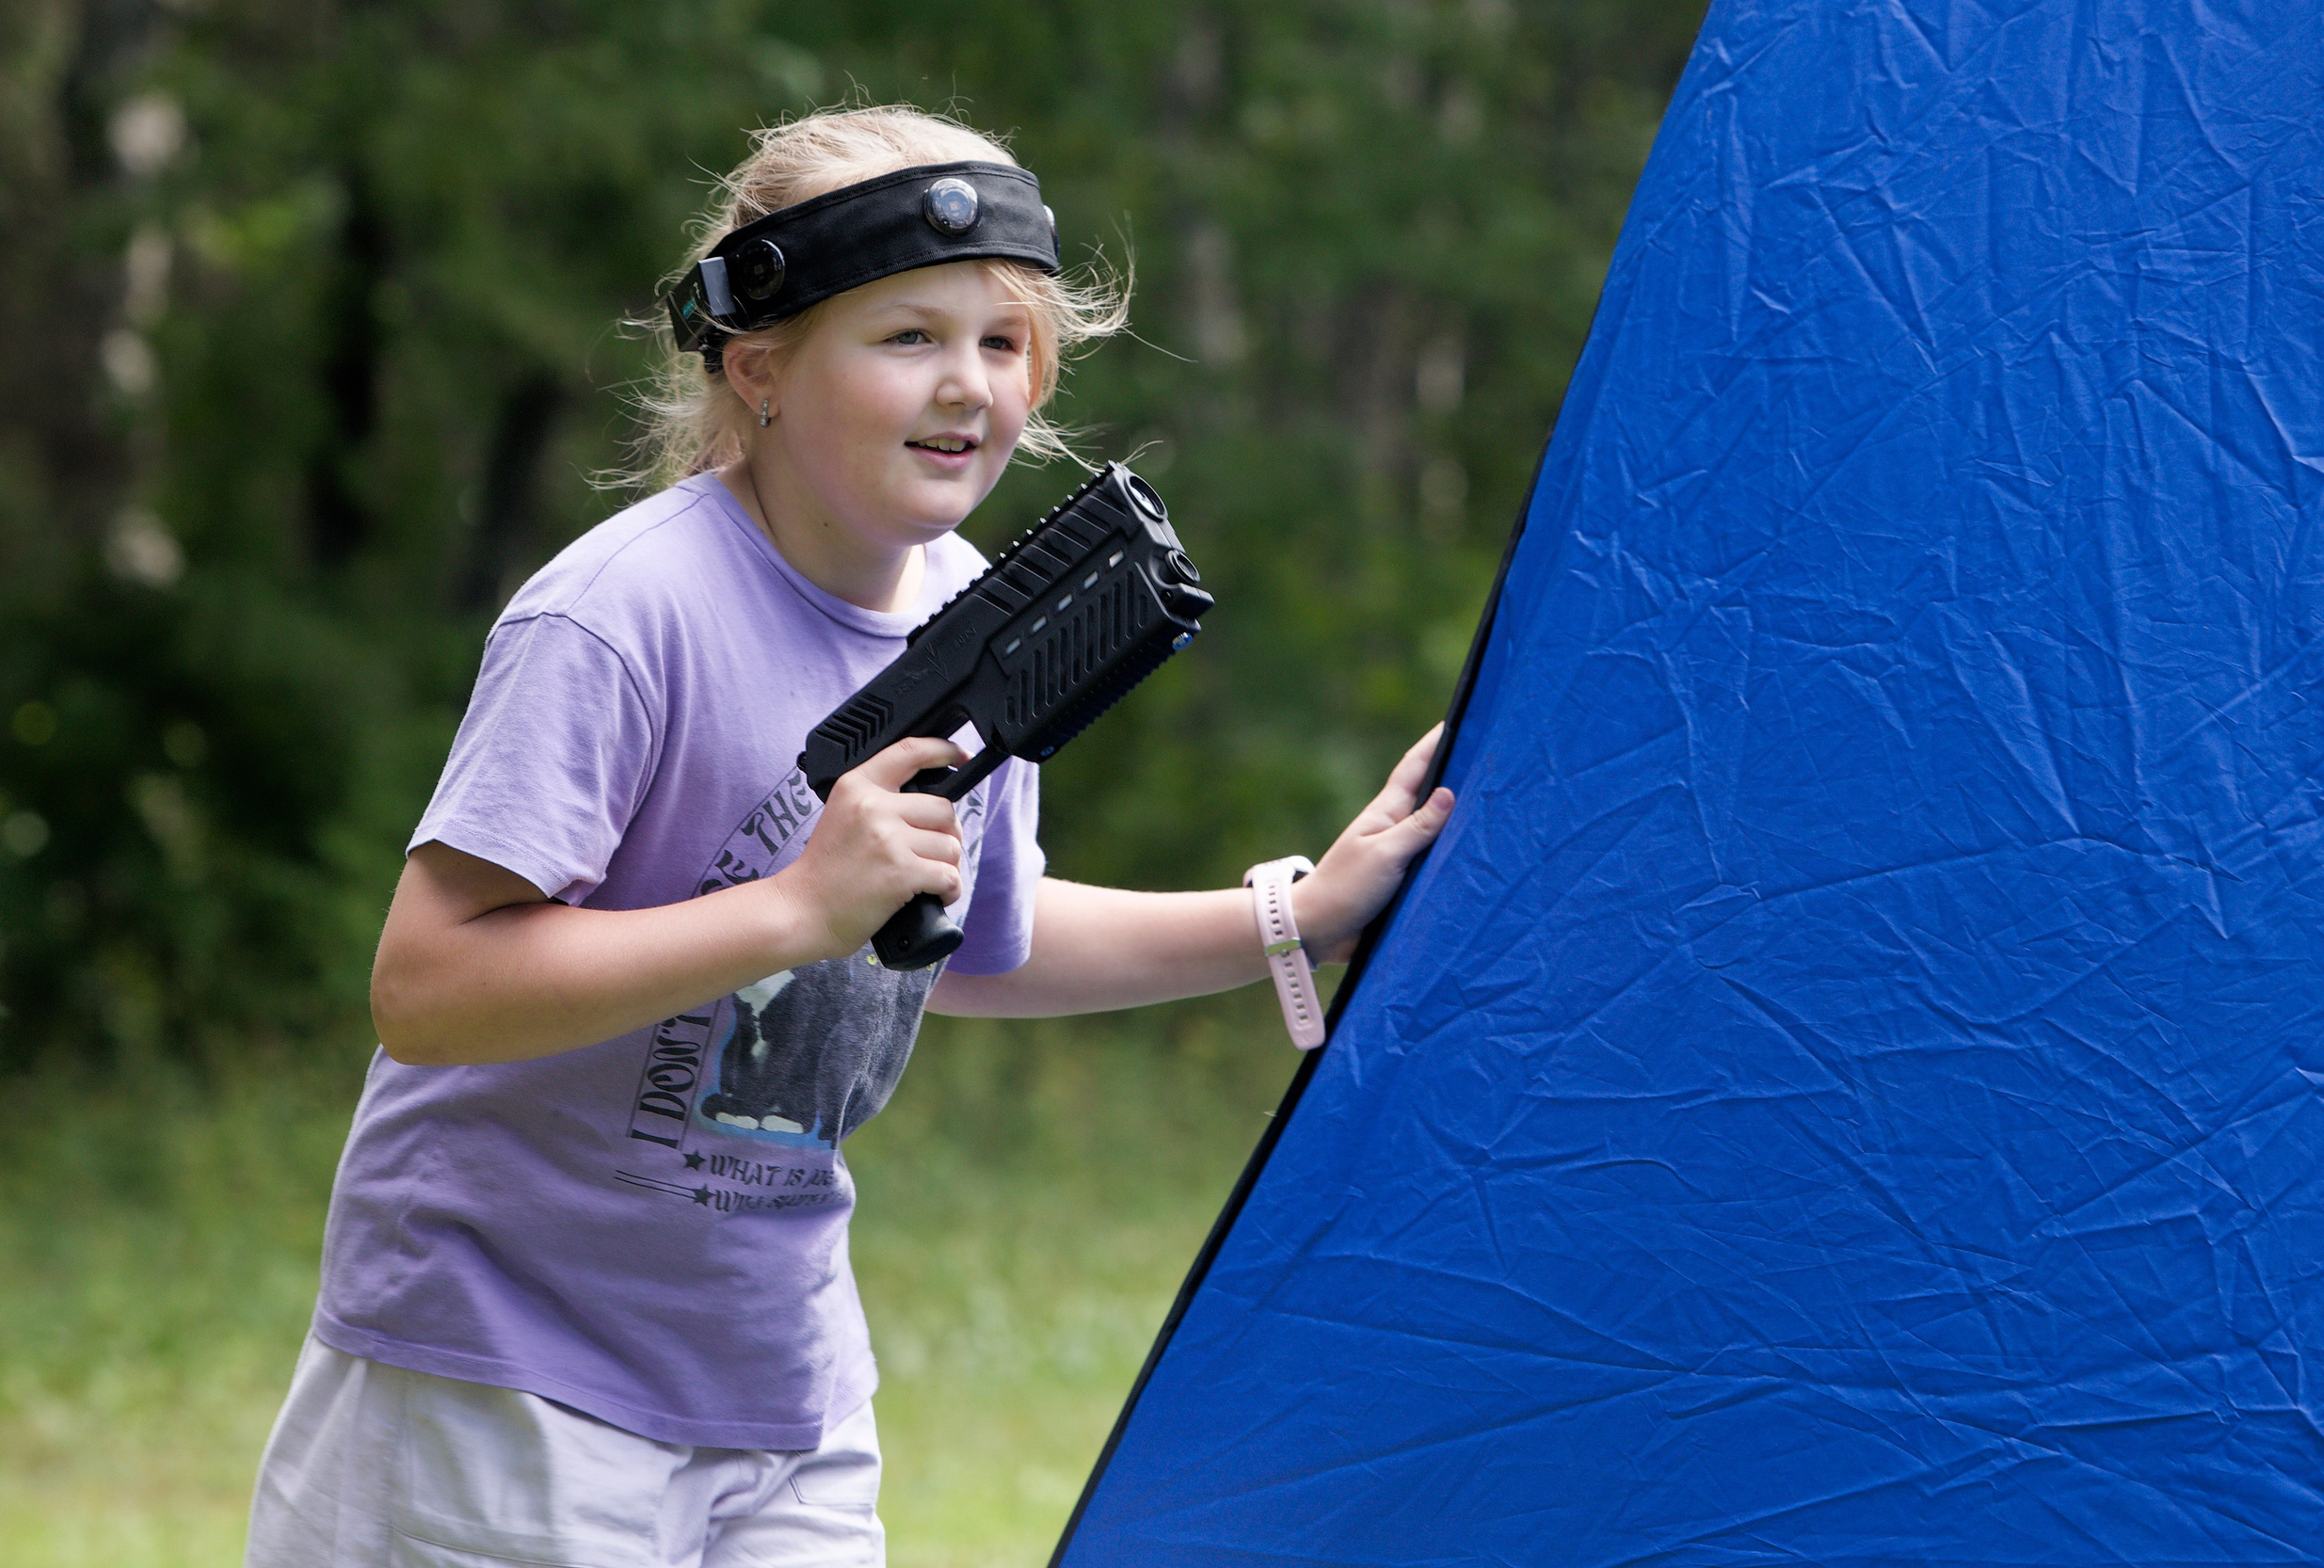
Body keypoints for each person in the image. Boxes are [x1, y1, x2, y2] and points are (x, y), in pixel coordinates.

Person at [243, 104, 1454, 1568]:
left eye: (1003, 345)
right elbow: (426, 991)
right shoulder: (624, 616)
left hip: (778, 1382)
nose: (967, 388)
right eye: (906, 339)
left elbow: (969, 941)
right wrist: (792, 910)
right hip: (501, 1372)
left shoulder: (970, 612)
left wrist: (1299, 914)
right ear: (759, 368)